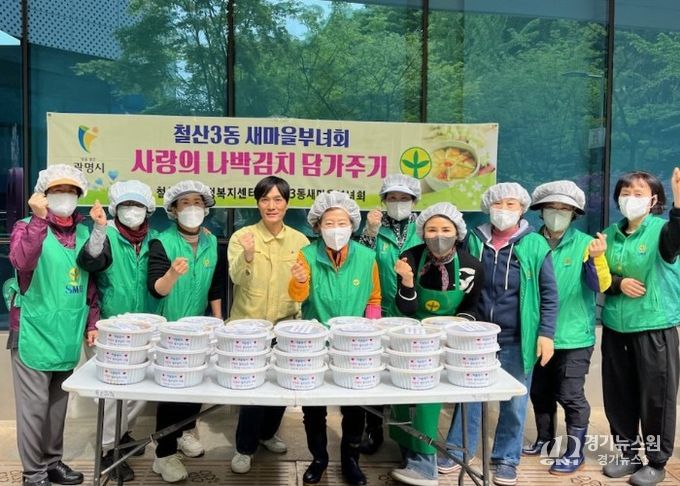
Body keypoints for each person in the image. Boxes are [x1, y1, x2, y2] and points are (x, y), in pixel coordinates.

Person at [438, 182, 558, 486]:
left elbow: (548, 293)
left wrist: (546, 334)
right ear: (488, 207)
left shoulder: (534, 244)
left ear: (522, 209)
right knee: (470, 397)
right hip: (476, 336)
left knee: (515, 402)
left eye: (511, 204)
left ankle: (506, 458)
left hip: (518, 337)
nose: (504, 210)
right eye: (498, 204)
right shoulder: (475, 239)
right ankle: (459, 450)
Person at [8, 164, 98, 486]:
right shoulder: (25, 226)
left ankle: (51, 462)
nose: (65, 196)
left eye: (71, 191)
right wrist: (37, 219)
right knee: (34, 409)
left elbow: (90, 285)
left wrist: (92, 322)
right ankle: (33, 475)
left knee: (57, 408)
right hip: (33, 331)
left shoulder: (85, 233)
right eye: (58, 190)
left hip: (67, 332)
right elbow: (22, 261)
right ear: (43, 194)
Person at [288, 191, 381, 486]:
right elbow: (297, 297)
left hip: (354, 345)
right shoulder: (306, 255)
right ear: (317, 226)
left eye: (342, 222)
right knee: (313, 407)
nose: (336, 229)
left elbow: (374, 298)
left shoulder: (366, 257)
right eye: (329, 223)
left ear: (353, 224)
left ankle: (350, 460)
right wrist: (299, 281)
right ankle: (319, 459)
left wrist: (371, 335)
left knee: (355, 406)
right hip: (315, 343)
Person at [389, 202, 484, 486]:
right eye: (432, 229)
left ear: (457, 232)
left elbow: (472, 307)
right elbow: (406, 308)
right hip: (410, 335)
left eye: (445, 229)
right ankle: (407, 451)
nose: (438, 235)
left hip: (448, 339)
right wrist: (407, 281)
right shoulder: (410, 258)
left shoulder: (471, 266)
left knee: (428, 399)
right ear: (422, 232)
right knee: (401, 395)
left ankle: (424, 464)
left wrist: (455, 327)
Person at [523, 181, 611, 475]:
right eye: (551, 207)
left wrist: (597, 259)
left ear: (574, 213)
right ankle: (545, 440)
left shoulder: (586, 244)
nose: (557, 213)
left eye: (564, 209)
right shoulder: (528, 242)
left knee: (571, 395)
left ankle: (575, 451)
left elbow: (599, 285)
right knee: (540, 391)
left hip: (573, 337)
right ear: (540, 210)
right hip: (536, 335)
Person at [599, 169, 680, 486]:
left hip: (653, 326)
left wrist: (679, 203)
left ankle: (657, 462)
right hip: (615, 327)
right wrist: (618, 283)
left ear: (653, 199)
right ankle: (628, 455)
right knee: (618, 395)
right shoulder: (609, 234)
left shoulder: (661, 231)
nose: (630, 198)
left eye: (638, 193)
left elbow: (676, 239)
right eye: (625, 193)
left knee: (656, 398)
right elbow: (598, 275)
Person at [77, 180, 159, 482]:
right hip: (108, 328)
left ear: (148, 209)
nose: (132, 210)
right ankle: (108, 451)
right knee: (113, 396)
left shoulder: (153, 239)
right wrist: (92, 323)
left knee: (138, 392)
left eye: (138, 205)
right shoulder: (106, 235)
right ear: (115, 208)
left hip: (144, 329)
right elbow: (89, 268)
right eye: (126, 205)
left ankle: (122, 436)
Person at [228, 176, 309, 474]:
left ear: (287, 204)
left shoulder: (300, 241)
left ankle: (267, 434)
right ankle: (244, 448)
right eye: (265, 199)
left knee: (281, 385)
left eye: (277, 199)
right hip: (249, 328)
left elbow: (304, 289)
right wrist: (248, 256)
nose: (271, 205)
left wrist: (303, 281)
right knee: (253, 391)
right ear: (258, 204)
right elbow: (236, 278)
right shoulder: (242, 236)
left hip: (286, 327)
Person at [147, 180, 224, 483]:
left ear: (206, 208)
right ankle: (163, 454)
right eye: (185, 203)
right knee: (171, 393)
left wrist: (218, 321)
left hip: (200, 328)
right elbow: (156, 290)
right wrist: (171, 274)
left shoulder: (210, 242)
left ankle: (183, 434)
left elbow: (215, 286)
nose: (192, 208)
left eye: (197, 203)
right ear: (173, 210)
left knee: (194, 387)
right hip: (169, 331)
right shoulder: (162, 243)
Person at [358, 174, 422, 455]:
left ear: (414, 200)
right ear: (383, 201)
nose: (398, 203)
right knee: (375, 372)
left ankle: (409, 434)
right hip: (379, 310)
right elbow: (361, 261)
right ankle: (373, 429)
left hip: (413, 311)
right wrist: (370, 232)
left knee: (408, 373)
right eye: (392, 198)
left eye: (404, 198)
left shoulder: (423, 227)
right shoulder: (375, 227)